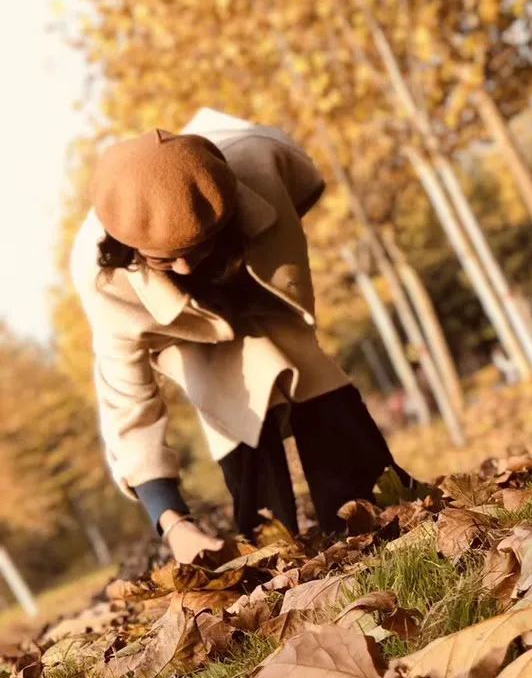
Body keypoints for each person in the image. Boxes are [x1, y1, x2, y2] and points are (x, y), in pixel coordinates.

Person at [71, 109, 411, 565]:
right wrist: (172, 523)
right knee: (226, 384)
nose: (187, 268)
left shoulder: (266, 161)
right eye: (168, 259)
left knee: (299, 357)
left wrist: (247, 274)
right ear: (130, 249)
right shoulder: (104, 281)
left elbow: (299, 200)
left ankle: (370, 499)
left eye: (197, 248)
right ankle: (269, 533)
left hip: (245, 259)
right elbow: (127, 403)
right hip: (170, 319)